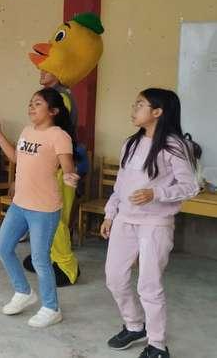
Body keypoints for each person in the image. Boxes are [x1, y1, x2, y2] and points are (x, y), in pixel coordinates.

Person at [101, 89, 199, 358]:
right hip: (124, 219)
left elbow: (190, 186)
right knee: (114, 278)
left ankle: (157, 344)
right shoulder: (130, 143)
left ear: (157, 112)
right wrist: (110, 214)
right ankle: (134, 325)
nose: (134, 109)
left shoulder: (174, 145)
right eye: (135, 104)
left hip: (155, 224)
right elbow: (120, 184)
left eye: (140, 105)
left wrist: (156, 193)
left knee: (149, 285)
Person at [0, 87, 79, 328]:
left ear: (53, 111)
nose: (31, 107)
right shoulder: (27, 130)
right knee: (2, 247)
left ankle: (52, 308)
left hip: (44, 208)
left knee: (40, 259)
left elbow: (67, 167)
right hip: (20, 204)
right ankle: (23, 292)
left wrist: (70, 176)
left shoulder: (59, 136)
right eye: (31, 103)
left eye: (38, 103)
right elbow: (16, 158)